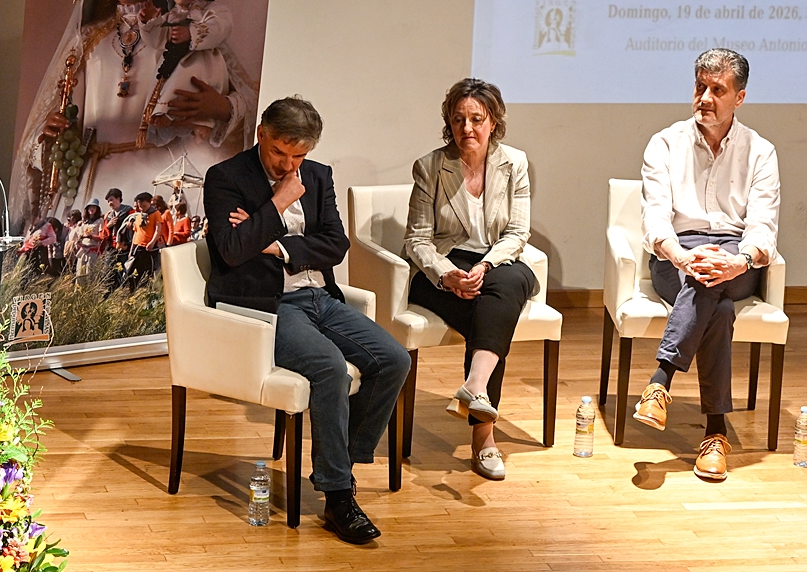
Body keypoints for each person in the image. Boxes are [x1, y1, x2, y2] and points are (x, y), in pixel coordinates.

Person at [204, 97, 411, 544]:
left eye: (298, 155)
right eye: (280, 151)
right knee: (329, 368)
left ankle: (344, 466)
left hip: (320, 296)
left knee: (393, 359)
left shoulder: (318, 177)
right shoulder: (226, 178)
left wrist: (276, 245)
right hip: (268, 304)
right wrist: (278, 204)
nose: (288, 164)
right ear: (261, 132)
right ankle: (338, 497)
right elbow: (232, 250)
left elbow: (336, 245)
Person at [10, 0, 257, 227]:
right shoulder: (89, 40)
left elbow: (250, 99)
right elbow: (65, 115)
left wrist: (221, 107)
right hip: (96, 182)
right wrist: (51, 130)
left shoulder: (185, 29)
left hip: (162, 173)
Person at [634, 48, 779, 481]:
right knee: (712, 299)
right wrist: (680, 255)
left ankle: (660, 382)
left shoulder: (761, 151)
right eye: (700, 87)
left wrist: (739, 261)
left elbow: (763, 226)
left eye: (718, 90)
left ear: (740, 98)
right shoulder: (665, 142)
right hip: (676, 254)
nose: (705, 98)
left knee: (711, 283)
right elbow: (655, 218)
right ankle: (715, 434)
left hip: (736, 257)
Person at [403, 79, 538, 481]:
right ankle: (484, 436)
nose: (468, 128)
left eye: (477, 119)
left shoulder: (514, 163)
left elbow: (517, 232)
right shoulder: (430, 166)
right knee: (492, 309)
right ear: (449, 121)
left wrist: (486, 266)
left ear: (493, 121)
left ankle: (474, 386)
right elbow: (418, 239)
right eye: (459, 119)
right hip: (441, 266)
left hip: (495, 262)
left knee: (508, 285)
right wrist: (447, 276)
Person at [144, 0, 233, 142]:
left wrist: (191, 32)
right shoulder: (172, 15)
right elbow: (157, 40)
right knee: (166, 80)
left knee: (186, 77)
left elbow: (220, 28)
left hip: (203, 64)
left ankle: (190, 120)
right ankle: (165, 112)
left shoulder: (213, 10)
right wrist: (151, 22)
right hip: (173, 61)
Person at [122, 191, 161, 291]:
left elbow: (158, 229)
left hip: (148, 248)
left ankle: (145, 292)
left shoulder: (155, 214)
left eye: (144, 205)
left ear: (149, 202)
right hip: (137, 247)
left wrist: (152, 242)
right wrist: (131, 250)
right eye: (140, 206)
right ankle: (133, 291)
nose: (142, 208)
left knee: (147, 273)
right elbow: (136, 232)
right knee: (132, 272)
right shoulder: (139, 216)